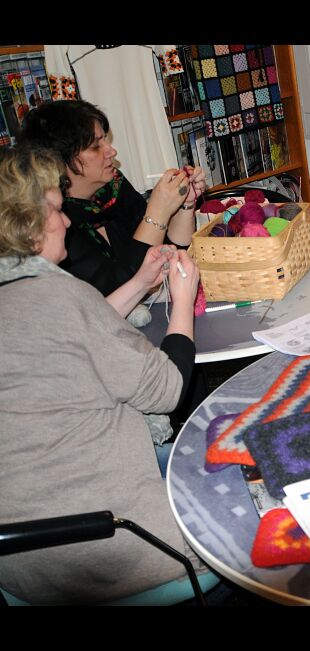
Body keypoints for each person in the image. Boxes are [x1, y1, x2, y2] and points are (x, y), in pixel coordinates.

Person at [0, 147, 204, 604]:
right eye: (55, 209)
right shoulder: (61, 295)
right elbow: (166, 389)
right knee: (228, 453)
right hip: (123, 549)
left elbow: (69, 338)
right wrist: (182, 299)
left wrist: (137, 284)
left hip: (20, 570)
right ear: (24, 222)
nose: (68, 221)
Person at [17, 99, 206, 296]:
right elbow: (116, 288)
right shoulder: (55, 220)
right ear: (59, 159)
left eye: (105, 139)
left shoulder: (113, 189)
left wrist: (186, 203)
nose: (111, 151)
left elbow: (170, 251)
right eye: (95, 146)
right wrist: (157, 213)